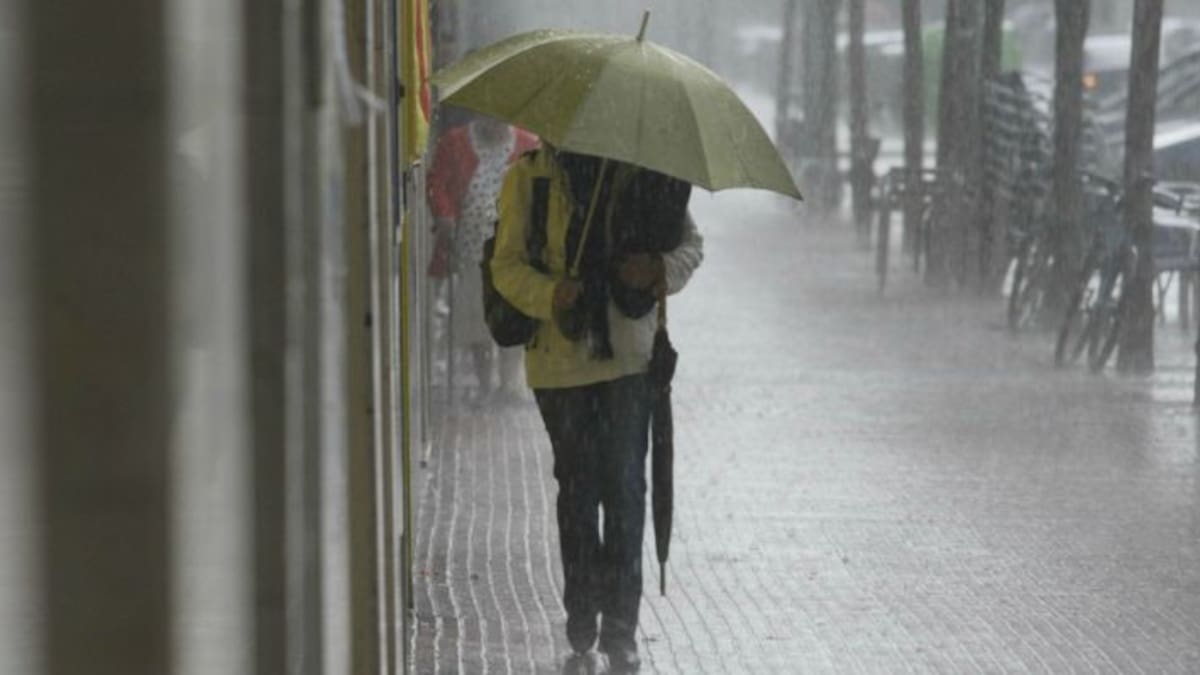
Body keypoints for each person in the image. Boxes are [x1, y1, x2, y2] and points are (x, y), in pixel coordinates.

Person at [491, 146, 703, 674]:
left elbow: (690, 246)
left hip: (628, 361)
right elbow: (505, 264)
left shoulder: (641, 172)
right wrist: (549, 293)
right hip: (558, 366)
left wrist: (655, 268)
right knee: (579, 488)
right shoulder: (529, 178)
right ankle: (582, 604)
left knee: (627, 489)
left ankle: (621, 630)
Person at [427, 112, 539, 406]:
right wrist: (445, 215)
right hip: (471, 250)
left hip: (513, 251)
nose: (496, 123)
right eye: (491, 116)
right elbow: (437, 183)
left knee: (512, 313)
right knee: (476, 318)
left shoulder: (528, 145)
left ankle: (509, 383)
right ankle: (485, 383)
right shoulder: (455, 142)